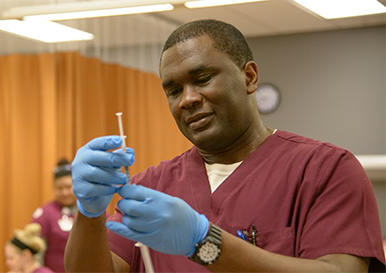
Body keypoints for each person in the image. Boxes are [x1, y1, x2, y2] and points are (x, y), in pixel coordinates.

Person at [65, 19, 386, 272]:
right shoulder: (151, 185)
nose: (188, 99)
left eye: (202, 79)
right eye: (173, 90)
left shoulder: (325, 170)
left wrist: (204, 242)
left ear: (249, 77)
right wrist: (89, 212)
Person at [31, 158, 76, 272]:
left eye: (68, 187)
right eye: (59, 188)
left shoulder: (92, 210)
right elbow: (35, 251)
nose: (64, 192)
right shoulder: (45, 213)